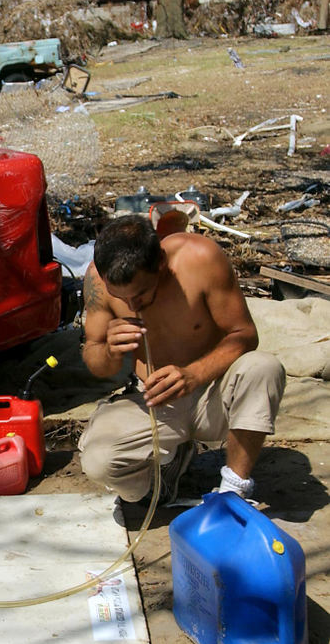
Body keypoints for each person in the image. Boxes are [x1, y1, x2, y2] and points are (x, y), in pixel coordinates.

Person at [78, 214, 285, 505]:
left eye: (140, 294)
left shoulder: (199, 258)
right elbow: (97, 362)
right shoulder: (96, 281)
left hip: (214, 396)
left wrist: (195, 374)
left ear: (161, 263)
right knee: (99, 460)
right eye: (120, 297)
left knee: (263, 367)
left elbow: (245, 334)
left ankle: (233, 491)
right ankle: (164, 474)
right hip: (156, 403)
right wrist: (110, 350)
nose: (131, 305)